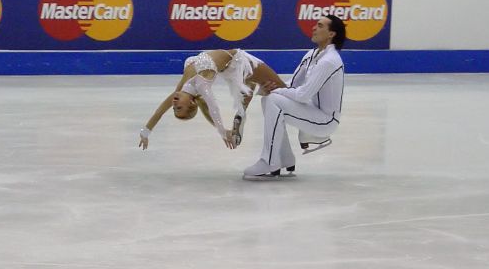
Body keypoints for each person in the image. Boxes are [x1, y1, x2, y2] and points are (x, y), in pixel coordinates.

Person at [243, 15, 346, 180]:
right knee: (269, 99)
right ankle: (284, 158)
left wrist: (276, 92)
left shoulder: (329, 61)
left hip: (326, 120)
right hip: (313, 112)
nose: (314, 27)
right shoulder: (311, 55)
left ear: (331, 34)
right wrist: (271, 88)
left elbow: (304, 95)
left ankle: (269, 161)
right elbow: (291, 85)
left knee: (274, 100)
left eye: (320, 25)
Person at [138, 50, 286, 150]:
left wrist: (145, 132)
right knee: (282, 88)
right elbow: (213, 108)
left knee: (251, 86)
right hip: (238, 60)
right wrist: (222, 131)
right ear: (191, 103)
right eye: (179, 108)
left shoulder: (179, 91)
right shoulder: (202, 85)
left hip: (228, 69)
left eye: (174, 108)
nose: (174, 104)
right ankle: (304, 127)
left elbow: (159, 112)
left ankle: (241, 113)